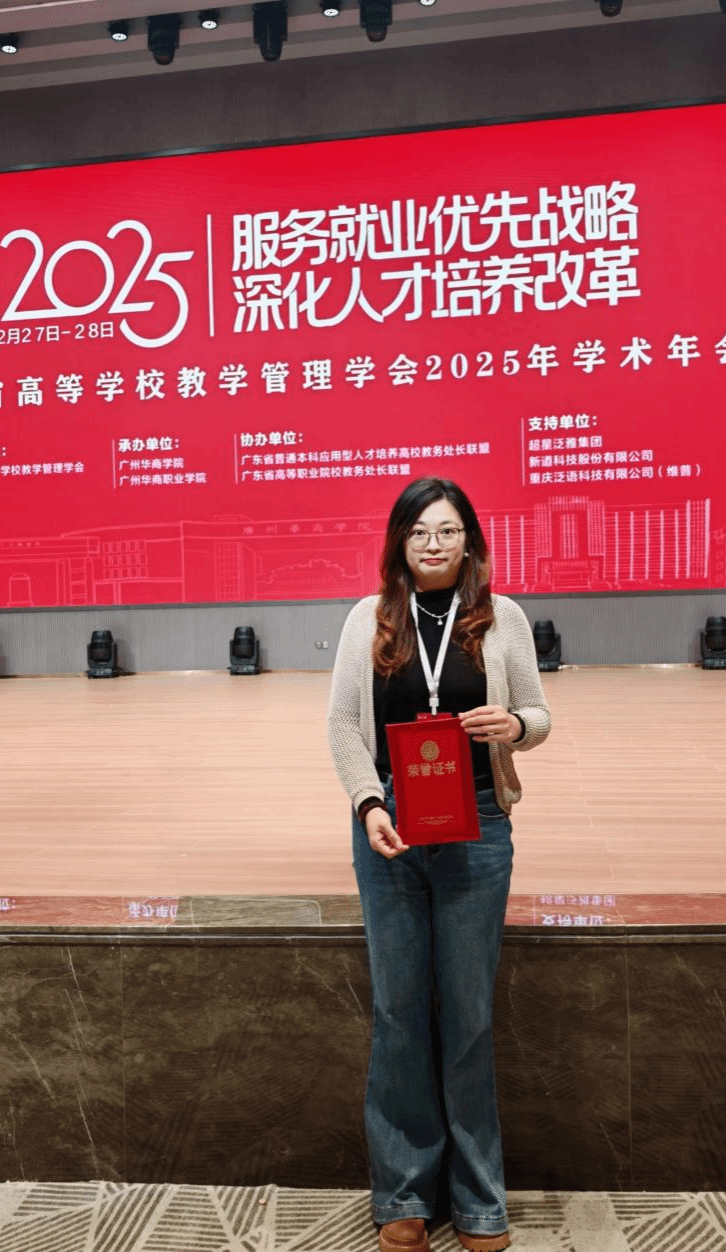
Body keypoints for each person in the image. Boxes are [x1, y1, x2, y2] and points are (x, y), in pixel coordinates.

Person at [327, 477, 552, 1252]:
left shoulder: (502, 616)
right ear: (400, 540)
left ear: (469, 542)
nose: (433, 543)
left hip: (477, 824)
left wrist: (513, 724)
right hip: (390, 822)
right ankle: (402, 1194)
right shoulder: (368, 618)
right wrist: (369, 804)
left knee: (468, 1016)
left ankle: (480, 1199)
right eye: (420, 531)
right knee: (398, 1014)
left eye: (448, 530)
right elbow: (342, 725)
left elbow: (539, 714)